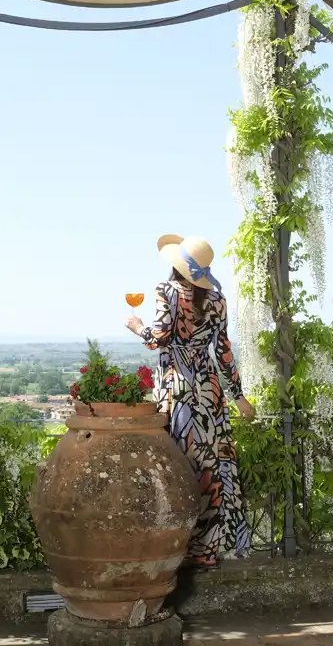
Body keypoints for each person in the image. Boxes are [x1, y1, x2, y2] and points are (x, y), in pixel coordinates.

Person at [125, 234, 255, 574]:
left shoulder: (164, 291)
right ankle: (206, 549)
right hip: (209, 390)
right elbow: (223, 352)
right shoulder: (217, 300)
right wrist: (238, 396)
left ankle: (175, 545)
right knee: (209, 465)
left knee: (176, 464)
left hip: (177, 388)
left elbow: (159, 338)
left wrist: (137, 327)